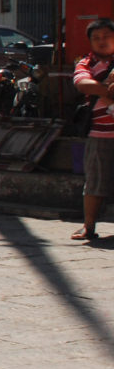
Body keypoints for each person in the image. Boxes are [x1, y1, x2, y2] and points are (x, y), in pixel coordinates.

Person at [71, 18, 114, 240]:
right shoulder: (85, 63)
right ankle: (89, 226)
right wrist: (108, 91)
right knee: (95, 181)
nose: (102, 41)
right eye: (96, 38)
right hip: (100, 133)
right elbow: (82, 84)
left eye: (106, 36)